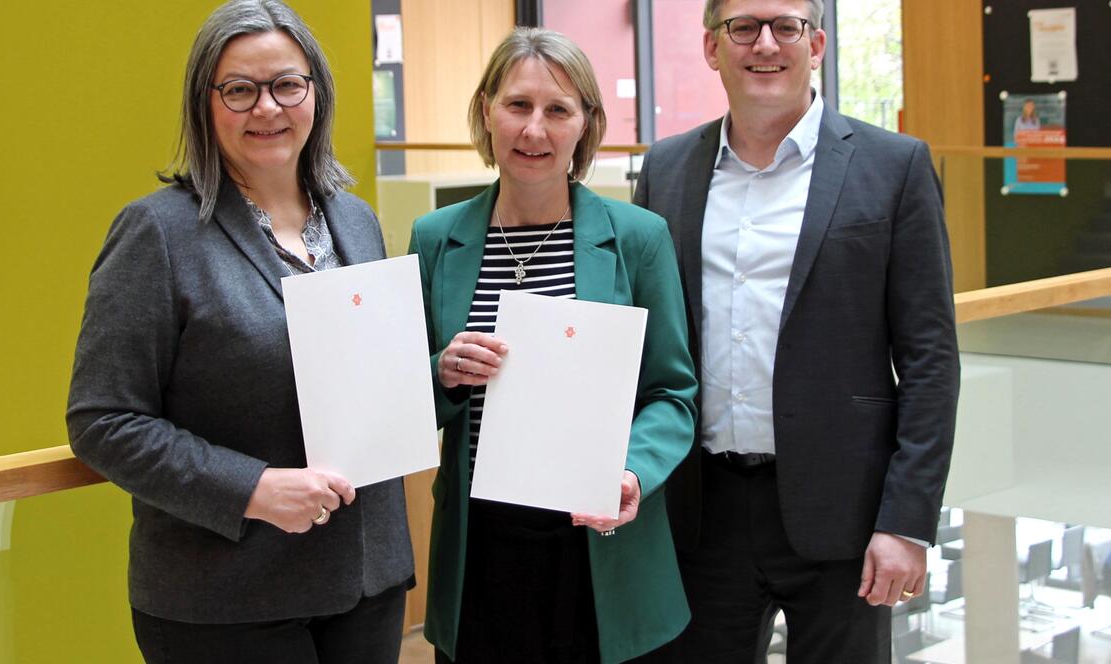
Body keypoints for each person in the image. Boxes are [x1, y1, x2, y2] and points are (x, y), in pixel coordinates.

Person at [66, 1, 412, 661]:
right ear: (206, 102)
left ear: (316, 92)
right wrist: (250, 487)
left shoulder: (357, 219)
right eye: (240, 90)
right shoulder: (157, 234)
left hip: (366, 579)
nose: (267, 108)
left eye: (287, 84)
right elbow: (102, 419)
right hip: (227, 600)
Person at [633, 0, 960, 661]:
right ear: (711, 47)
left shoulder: (894, 167)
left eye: (786, 26)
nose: (765, 44)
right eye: (743, 27)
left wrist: (906, 521)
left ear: (817, 44)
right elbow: (643, 343)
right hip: (700, 514)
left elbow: (929, 361)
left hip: (847, 519)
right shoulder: (665, 170)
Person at [409, 27, 698, 664]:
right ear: (487, 109)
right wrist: (442, 373)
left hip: (601, 541)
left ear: (585, 124)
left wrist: (632, 474)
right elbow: (405, 402)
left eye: (558, 110)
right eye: (517, 105)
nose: (534, 130)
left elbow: (672, 393)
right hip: (480, 546)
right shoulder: (435, 239)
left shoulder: (639, 238)